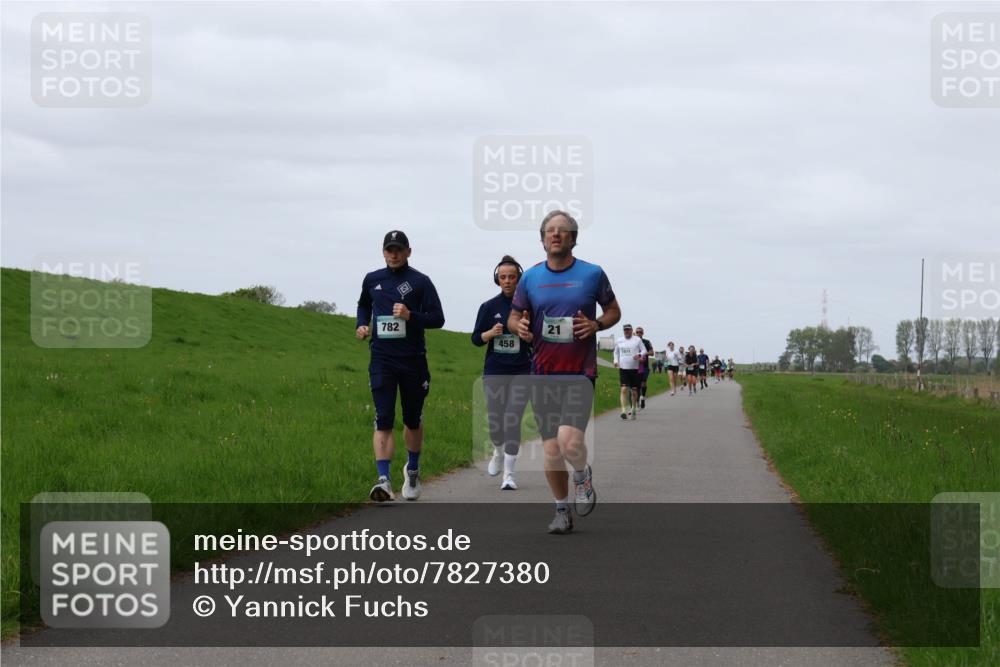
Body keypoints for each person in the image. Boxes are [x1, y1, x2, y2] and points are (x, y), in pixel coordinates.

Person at [509, 210, 621, 535]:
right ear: (543, 239)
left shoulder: (592, 274)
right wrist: (520, 328)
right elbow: (515, 316)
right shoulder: (530, 277)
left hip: (579, 372)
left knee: (569, 442)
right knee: (551, 449)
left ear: (573, 238)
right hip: (542, 373)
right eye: (550, 230)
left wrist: (596, 324)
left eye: (563, 230)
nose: (556, 234)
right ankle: (561, 510)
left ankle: (582, 474)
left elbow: (614, 311)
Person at [356, 230, 444, 502]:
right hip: (382, 359)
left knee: (412, 419)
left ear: (408, 252)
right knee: (383, 417)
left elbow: (437, 318)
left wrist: (410, 315)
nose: (393, 255)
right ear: (383, 252)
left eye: (398, 250)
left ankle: (413, 469)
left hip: (412, 360)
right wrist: (361, 325)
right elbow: (363, 305)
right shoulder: (372, 279)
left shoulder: (420, 281)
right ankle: (383, 481)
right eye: (389, 250)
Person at [472, 255, 532, 491]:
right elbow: (476, 339)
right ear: (497, 279)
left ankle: (509, 474)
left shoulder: (529, 308)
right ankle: (497, 451)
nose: (507, 281)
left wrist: (528, 335)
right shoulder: (489, 307)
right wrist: (490, 334)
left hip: (522, 370)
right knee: (496, 421)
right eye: (503, 277)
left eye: (512, 277)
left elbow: (538, 339)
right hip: (495, 370)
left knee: (513, 418)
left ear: (519, 279)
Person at [614, 324, 645, 420]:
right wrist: (615, 361)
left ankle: (634, 408)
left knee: (634, 391)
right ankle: (623, 411)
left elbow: (644, 350)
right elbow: (616, 352)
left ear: (631, 330)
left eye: (628, 330)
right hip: (623, 368)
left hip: (634, 369)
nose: (626, 331)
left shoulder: (637, 340)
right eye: (625, 330)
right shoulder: (619, 340)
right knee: (623, 389)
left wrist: (639, 355)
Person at [634, 327, 655, 408]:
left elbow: (652, 353)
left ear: (643, 333)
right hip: (634, 366)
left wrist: (644, 353)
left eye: (640, 332)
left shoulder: (647, 342)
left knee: (643, 382)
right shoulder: (632, 342)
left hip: (644, 365)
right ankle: (637, 401)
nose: (638, 333)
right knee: (636, 384)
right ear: (635, 333)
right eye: (637, 332)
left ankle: (642, 397)